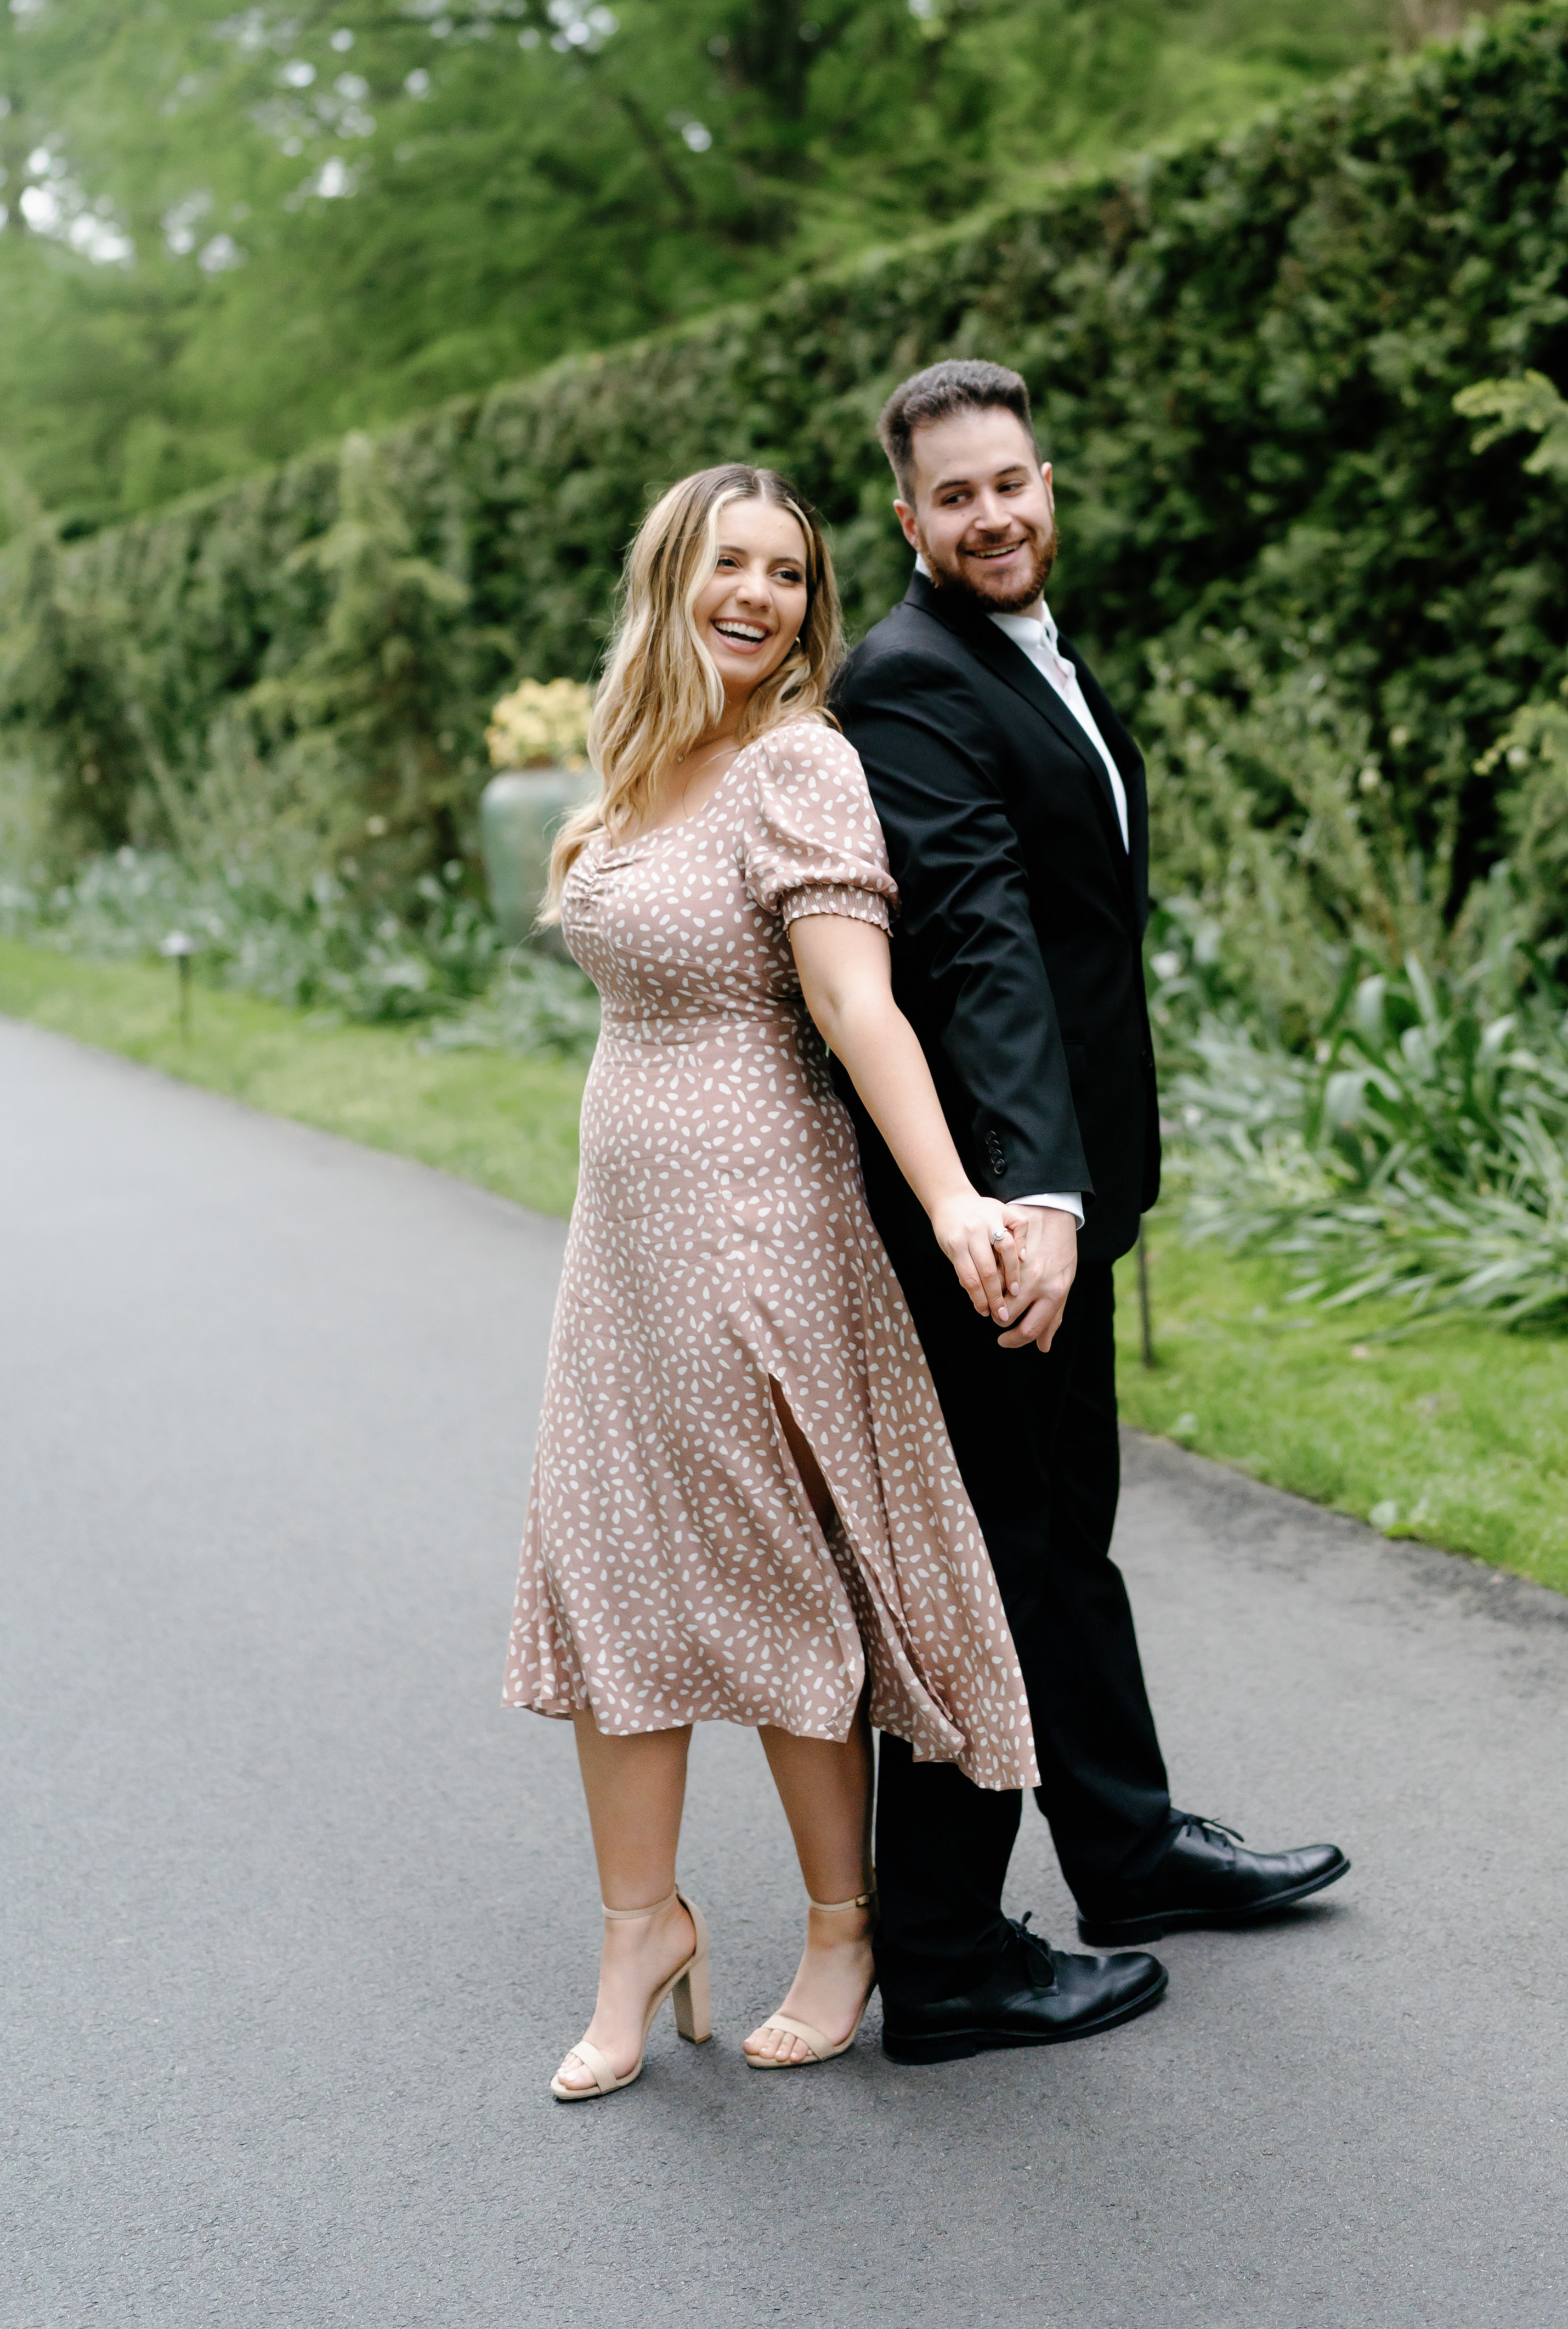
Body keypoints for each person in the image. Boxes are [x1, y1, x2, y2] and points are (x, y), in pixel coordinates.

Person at [503, 461, 1045, 2099]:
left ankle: (840, 1924)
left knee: (773, 1573)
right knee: (616, 1568)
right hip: (624, 1241)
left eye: (791, 575)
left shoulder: (799, 765)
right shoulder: (638, 765)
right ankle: (637, 1930)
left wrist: (954, 1196)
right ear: (670, 578)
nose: (761, 595)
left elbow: (857, 1003)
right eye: (730, 564)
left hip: (761, 1220)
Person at [835, 357, 1350, 2066]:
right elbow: (978, 937)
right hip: (994, 1217)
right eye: (958, 497)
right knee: (990, 1557)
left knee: (1064, 1532)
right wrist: (1032, 1194)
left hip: (1067, 1197)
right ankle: (946, 1953)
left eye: (1015, 482)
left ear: (1049, 483)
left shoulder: (1020, 646)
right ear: (908, 521)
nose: (996, 515)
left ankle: (1124, 1852)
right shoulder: (909, 683)